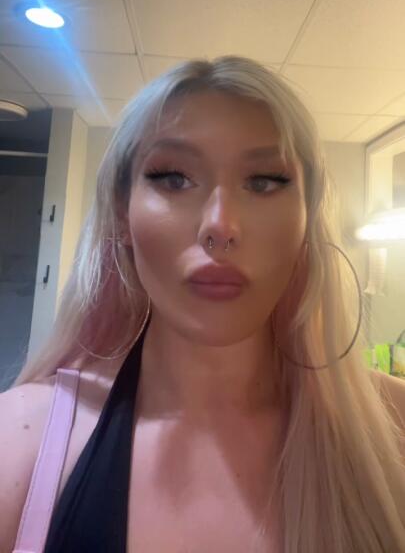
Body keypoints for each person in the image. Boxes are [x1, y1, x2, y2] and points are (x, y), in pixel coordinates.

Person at [1, 56, 404, 553]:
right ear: (121, 214)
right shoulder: (20, 437)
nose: (220, 225)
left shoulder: (395, 427)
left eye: (264, 181)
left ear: (307, 219)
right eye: (173, 177)